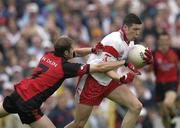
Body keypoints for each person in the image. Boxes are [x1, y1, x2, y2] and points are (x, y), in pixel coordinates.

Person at [0, 36, 133, 128]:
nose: (73, 50)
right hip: (29, 104)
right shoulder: (65, 68)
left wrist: (92, 50)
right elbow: (98, 67)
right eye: (71, 48)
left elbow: (75, 53)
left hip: (19, 92)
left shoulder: (49, 54)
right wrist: (123, 63)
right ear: (65, 52)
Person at [65, 13, 153, 128]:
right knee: (79, 124)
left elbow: (131, 64)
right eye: (135, 29)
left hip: (109, 80)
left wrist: (146, 61)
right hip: (92, 81)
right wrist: (121, 78)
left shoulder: (130, 42)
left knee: (136, 107)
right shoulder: (114, 41)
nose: (137, 33)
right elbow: (103, 68)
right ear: (125, 27)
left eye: (139, 29)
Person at [153, 32, 179, 128]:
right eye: (162, 40)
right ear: (158, 41)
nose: (164, 42)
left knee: (167, 103)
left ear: (169, 41)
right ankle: (170, 125)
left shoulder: (176, 51)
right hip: (159, 84)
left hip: (172, 82)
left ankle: (173, 113)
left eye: (166, 40)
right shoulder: (154, 53)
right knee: (163, 115)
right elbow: (149, 68)